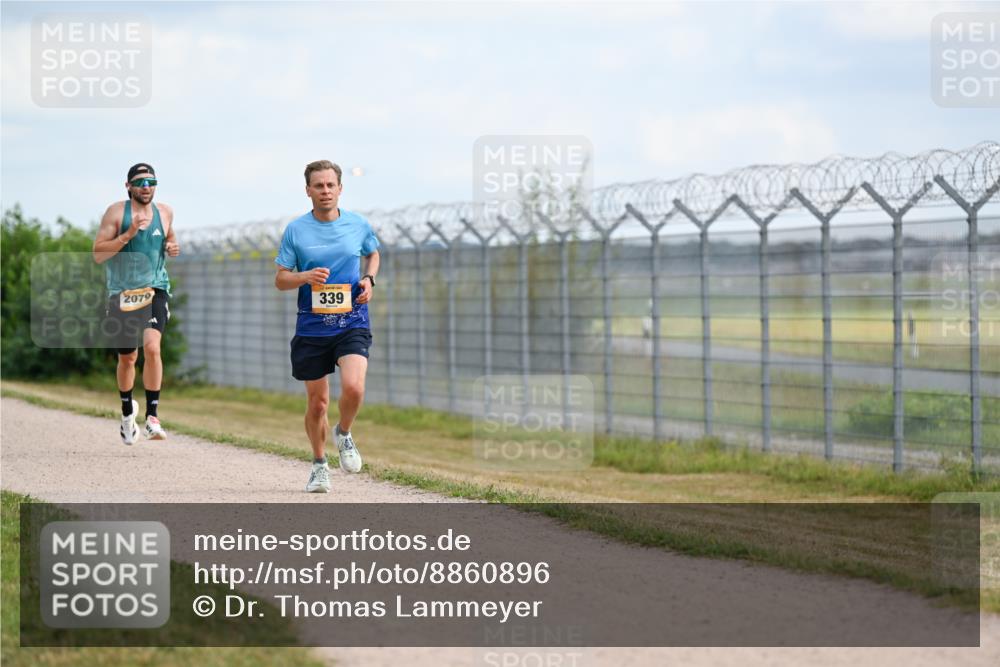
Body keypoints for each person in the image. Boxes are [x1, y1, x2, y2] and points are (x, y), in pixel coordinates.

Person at [275, 160, 380, 493]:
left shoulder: (357, 224)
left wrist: (369, 279)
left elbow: (373, 253)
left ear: (340, 188)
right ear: (308, 191)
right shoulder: (296, 230)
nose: (324, 191)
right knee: (317, 403)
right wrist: (304, 276)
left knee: (354, 388)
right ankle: (319, 465)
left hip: (351, 320)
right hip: (312, 326)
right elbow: (280, 279)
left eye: (330, 185)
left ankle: (344, 433)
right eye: (318, 186)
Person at [93, 163, 180, 445]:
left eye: (151, 181)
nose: (146, 186)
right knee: (128, 357)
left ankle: (152, 417)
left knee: (153, 347)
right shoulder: (117, 213)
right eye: (140, 182)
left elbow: (169, 236)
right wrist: (128, 234)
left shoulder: (165, 212)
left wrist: (172, 246)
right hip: (122, 292)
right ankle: (127, 410)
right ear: (128, 186)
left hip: (155, 289)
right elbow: (98, 254)